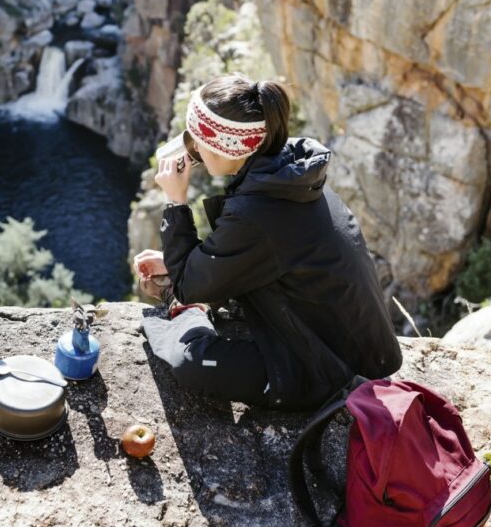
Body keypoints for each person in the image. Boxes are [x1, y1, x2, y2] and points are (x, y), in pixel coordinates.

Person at [134, 73, 402, 412]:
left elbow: (193, 284)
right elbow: (257, 256)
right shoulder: (287, 173)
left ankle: (186, 315)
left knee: (191, 363)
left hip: (324, 366)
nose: (191, 148)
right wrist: (180, 261)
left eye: (196, 140)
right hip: (351, 344)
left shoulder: (259, 209)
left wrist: (175, 203)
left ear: (227, 148)